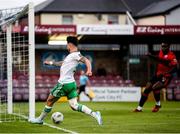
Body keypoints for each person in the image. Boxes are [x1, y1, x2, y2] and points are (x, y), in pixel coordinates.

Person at [29, 36, 102, 125]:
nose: (66, 46)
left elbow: (86, 60)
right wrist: (51, 63)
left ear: (70, 44)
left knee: (50, 100)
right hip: (71, 84)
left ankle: (40, 119)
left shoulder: (76, 54)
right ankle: (95, 114)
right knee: (74, 106)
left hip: (64, 84)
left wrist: (89, 70)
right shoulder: (71, 56)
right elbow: (62, 63)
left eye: (67, 44)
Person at [134, 42, 178, 112]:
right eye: (162, 46)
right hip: (158, 74)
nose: (163, 48)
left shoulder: (172, 56)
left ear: (169, 47)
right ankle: (139, 108)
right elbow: (159, 59)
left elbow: (175, 68)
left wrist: (167, 73)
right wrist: (150, 55)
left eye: (165, 46)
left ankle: (158, 104)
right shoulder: (161, 52)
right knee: (147, 89)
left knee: (154, 88)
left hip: (166, 77)